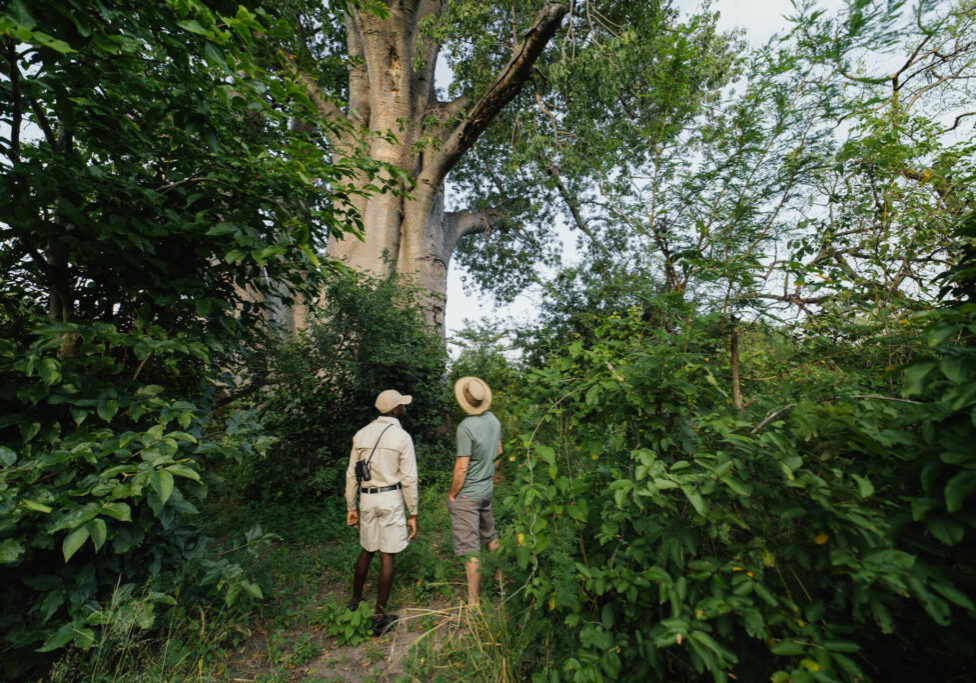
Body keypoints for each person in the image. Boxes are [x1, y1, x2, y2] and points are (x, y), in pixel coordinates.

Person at [345, 389, 418, 636]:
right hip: (390, 498)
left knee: (367, 549)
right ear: (394, 410)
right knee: (387, 556)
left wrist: (351, 506)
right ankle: (379, 616)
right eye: (401, 405)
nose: (404, 408)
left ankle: (354, 601)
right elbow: (408, 479)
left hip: (366, 498)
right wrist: (413, 512)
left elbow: (351, 473)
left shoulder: (361, 434)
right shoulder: (402, 437)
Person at [447, 376, 502, 606]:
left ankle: (473, 603)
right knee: (491, 537)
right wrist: (487, 473)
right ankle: (502, 585)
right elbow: (499, 451)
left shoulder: (465, 428)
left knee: (471, 549)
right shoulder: (494, 420)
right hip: (486, 489)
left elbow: (462, 466)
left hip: (468, 495)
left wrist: (452, 494)